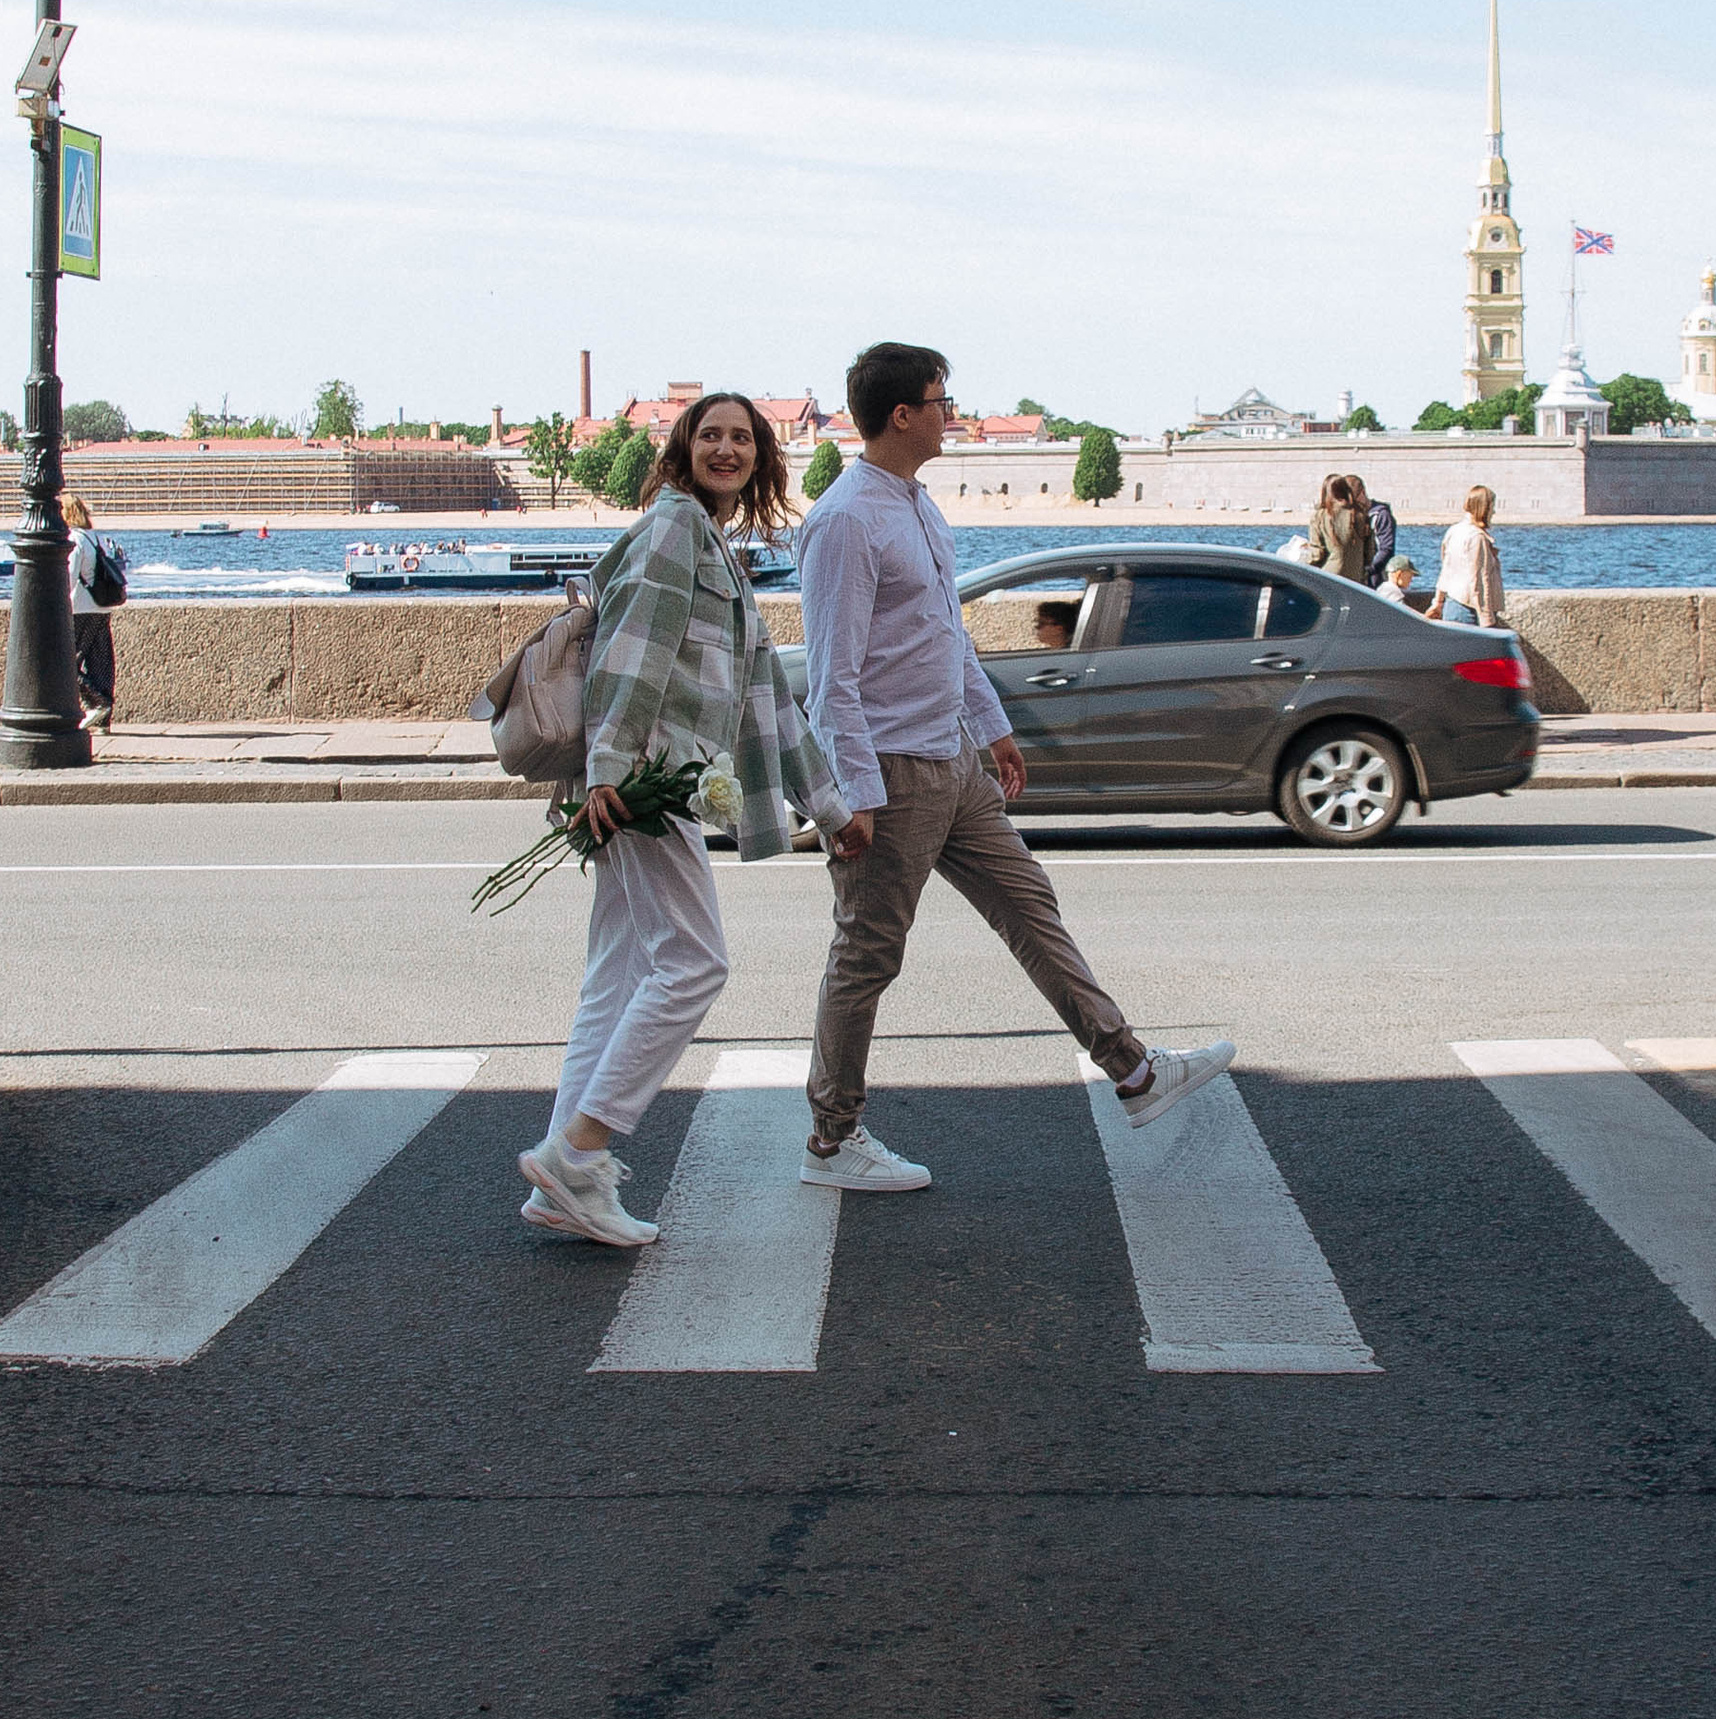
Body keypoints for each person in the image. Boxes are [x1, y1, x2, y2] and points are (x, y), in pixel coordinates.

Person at [796, 342, 1234, 1190]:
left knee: (1032, 909)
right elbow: (831, 677)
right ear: (902, 415)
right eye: (940, 399)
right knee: (866, 957)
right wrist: (850, 797)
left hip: (953, 762)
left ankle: (1134, 1070)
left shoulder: (917, 507)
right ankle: (830, 1140)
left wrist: (992, 729)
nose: (949, 411)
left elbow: (944, 638)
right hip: (890, 772)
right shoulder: (846, 520)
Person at [523, 391, 854, 1250]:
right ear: (682, 448)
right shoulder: (675, 529)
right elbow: (629, 655)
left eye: (742, 438)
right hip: (642, 780)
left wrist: (827, 805)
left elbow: (766, 704)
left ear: (761, 458)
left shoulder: (712, 546)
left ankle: (565, 1174)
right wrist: (607, 771)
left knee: (620, 971)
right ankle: (581, 1155)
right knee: (695, 964)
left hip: (642, 774)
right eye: (710, 434)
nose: (726, 448)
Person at [60, 490, 115, 732]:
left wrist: (60, 605)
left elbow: (70, 577)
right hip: (101, 606)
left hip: (79, 607)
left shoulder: (75, 540)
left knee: (65, 661)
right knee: (100, 661)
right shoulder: (95, 538)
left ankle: (97, 703)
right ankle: (103, 720)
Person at [1436, 483, 1507, 628]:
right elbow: (1479, 581)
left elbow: (1446, 571)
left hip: (1452, 606)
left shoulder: (1454, 531)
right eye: (1492, 506)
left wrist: (1438, 602)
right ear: (1484, 508)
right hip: (1469, 611)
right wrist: (1487, 620)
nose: (1493, 512)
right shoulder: (1477, 537)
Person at [1304, 469, 1373, 584]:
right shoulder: (1360, 514)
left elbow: (1317, 555)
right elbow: (1369, 553)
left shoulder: (1320, 516)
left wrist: (1300, 565)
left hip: (1329, 578)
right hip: (1357, 580)